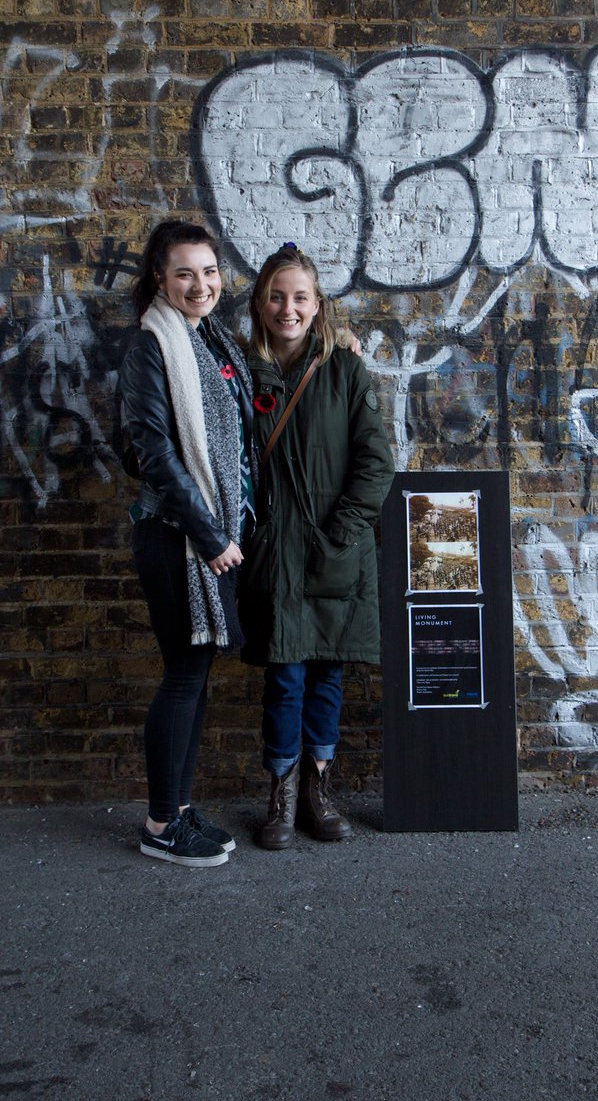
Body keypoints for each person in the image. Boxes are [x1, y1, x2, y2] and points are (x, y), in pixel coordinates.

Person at [240, 242, 395, 850]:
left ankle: (317, 790)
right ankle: (280, 795)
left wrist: (342, 533)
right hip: (274, 552)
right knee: (285, 677)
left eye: (300, 297)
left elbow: (375, 463)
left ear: (317, 305)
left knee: (327, 673)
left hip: (335, 548)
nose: (289, 309)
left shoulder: (344, 370)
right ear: (260, 303)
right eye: (277, 297)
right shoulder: (239, 372)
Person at [119, 219, 256, 867]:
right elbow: (151, 453)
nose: (200, 284)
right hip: (178, 538)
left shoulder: (207, 338)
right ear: (160, 278)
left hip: (208, 536)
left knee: (195, 678)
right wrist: (210, 535)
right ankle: (159, 823)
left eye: (208, 271)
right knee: (182, 676)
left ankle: (176, 806)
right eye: (184, 273)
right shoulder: (152, 346)